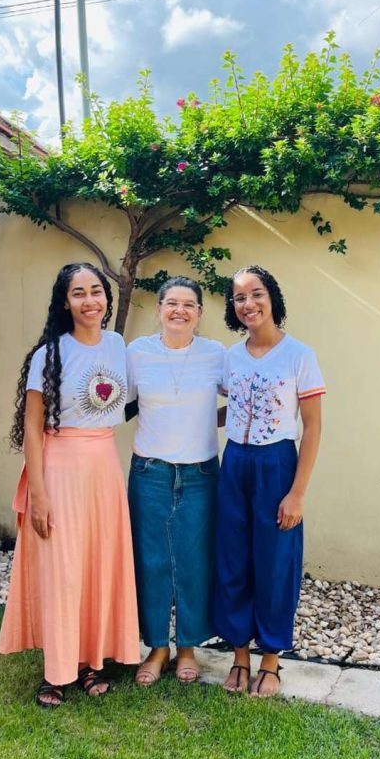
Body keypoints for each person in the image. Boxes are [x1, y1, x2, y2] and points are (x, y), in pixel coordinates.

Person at [0, 263, 141, 707]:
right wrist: (38, 494)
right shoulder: (49, 354)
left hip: (104, 468)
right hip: (59, 470)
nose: (90, 300)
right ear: (65, 302)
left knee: (98, 564)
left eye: (96, 291)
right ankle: (56, 671)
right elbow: (32, 427)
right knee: (62, 570)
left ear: (107, 298)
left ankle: (92, 661)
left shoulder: (118, 346)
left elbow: (138, 401)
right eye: (79, 293)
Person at [214, 265, 325, 698]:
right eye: (239, 297)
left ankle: (271, 660)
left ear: (271, 297)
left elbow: (312, 426)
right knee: (233, 560)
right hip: (234, 463)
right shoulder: (231, 357)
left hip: (277, 464)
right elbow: (237, 408)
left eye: (256, 293)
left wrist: (297, 493)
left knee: (276, 563)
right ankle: (239, 655)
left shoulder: (299, 355)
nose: (249, 304)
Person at [126, 277, 225, 686]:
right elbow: (115, 403)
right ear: (159, 309)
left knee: (194, 560)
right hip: (150, 472)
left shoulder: (216, 355)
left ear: (199, 313)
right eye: (171, 303)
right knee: (151, 561)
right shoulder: (137, 353)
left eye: (188, 305)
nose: (179, 311)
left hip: (201, 474)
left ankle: (187, 647)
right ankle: (156, 647)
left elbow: (244, 399)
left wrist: (209, 420)